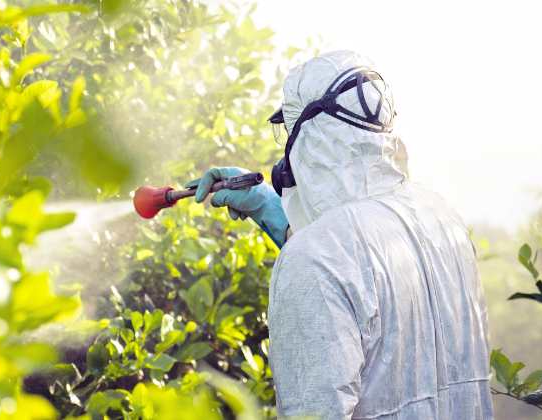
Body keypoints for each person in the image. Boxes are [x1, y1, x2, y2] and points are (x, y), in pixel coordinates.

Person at [191, 50, 493, 419]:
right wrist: (267, 207)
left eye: (287, 131)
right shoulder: (441, 219)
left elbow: (316, 411)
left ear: (311, 137)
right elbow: (365, 277)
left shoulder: (315, 257)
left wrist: (297, 242)